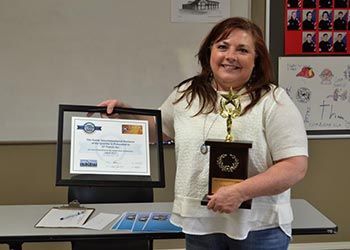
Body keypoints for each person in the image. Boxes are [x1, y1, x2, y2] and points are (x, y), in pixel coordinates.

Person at [99, 17, 308, 249]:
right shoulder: (186, 94)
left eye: (242, 50)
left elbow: (294, 166)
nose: (230, 56)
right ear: (210, 51)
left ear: (256, 58)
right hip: (200, 225)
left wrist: (240, 192)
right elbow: (157, 131)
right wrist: (126, 114)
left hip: (259, 228)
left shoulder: (274, 100)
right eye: (222, 46)